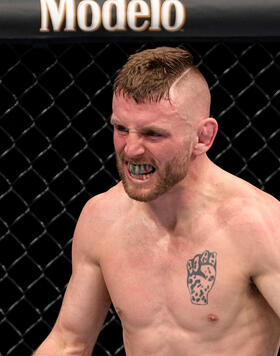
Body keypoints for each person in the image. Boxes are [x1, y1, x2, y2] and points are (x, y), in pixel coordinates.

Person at [33, 46, 280, 356]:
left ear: (203, 138)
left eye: (153, 134)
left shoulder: (260, 224)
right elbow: (69, 343)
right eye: (121, 129)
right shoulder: (103, 218)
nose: (131, 149)